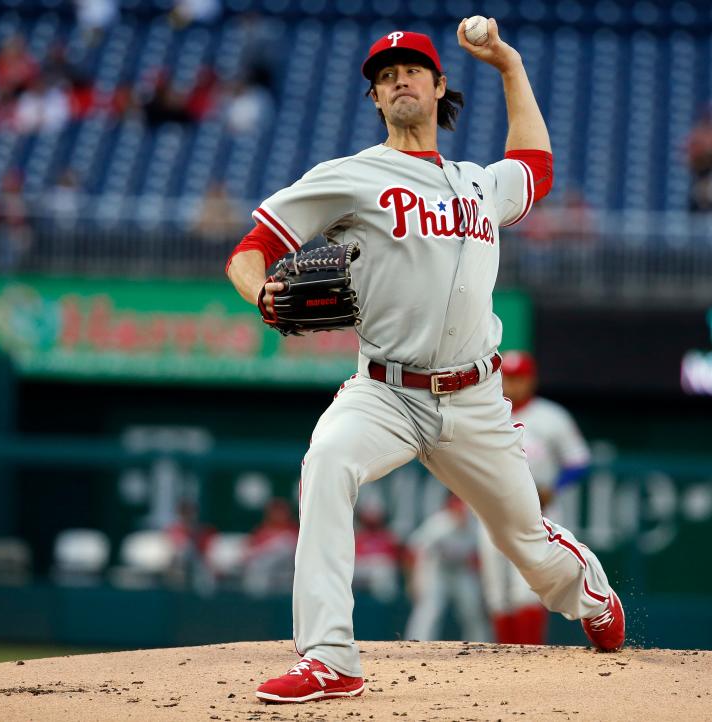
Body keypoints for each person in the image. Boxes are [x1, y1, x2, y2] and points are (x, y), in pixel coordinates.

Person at [225, 20, 625, 705]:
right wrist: (259, 291)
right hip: (384, 391)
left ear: (439, 87)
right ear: (376, 101)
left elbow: (536, 167)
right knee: (325, 463)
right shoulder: (348, 176)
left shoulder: (478, 185)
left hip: (474, 399)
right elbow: (251, 247)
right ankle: (329, 657)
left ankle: (586, 591)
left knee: (523, 541)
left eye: (410, 70)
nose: (397, 80)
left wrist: (509, 65)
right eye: (384, 77)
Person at [477, 351, 592, 645]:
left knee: (524, 588)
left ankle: (528, 657)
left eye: (519, 378)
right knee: (496, 593)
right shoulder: (485, 413)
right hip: (491, 509)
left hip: (538, 510)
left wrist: (555, 486)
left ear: (531, 380)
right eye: (508, 378)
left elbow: (578, 461)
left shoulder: (551, 416)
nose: (513, 385)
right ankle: (504, 658)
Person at [404, 494, 489, 642]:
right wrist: (414, 580)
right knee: (429, 610)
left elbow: (480, 558)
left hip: (461, 570)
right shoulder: (439, 523)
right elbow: (414, 550)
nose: (461, 512)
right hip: (436, 569)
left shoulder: (474, 526)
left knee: (472, 609)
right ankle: (415, 644)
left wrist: (483, 586)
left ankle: (479, 645)